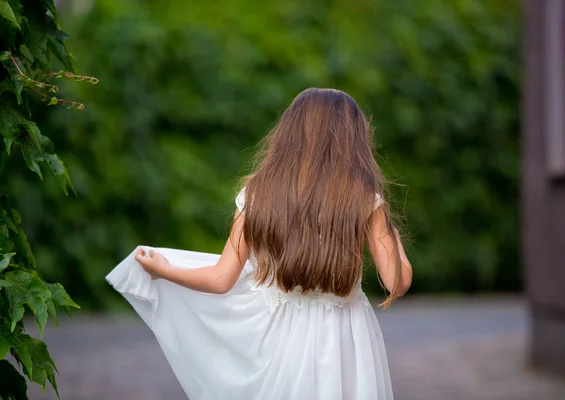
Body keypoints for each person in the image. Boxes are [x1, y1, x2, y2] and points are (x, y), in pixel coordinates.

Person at [106, 87, 412, 400]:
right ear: (353, 140)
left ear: (289, 135)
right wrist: (394, 241)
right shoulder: (363, 200)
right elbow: (395, 282)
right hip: (345, 337)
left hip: (281, 336)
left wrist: (164, 271)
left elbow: (220, 278)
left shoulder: (259, 196)